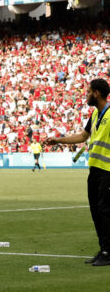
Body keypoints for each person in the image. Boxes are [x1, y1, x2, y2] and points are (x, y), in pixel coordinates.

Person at [45, 78, 110, 266]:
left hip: (107, 171)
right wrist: (58, 140)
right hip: (95, 170)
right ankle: (103, 249)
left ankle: (108, 252)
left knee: (106, 211)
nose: (87, 94)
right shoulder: (96, 114)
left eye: (89, 91)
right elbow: (82, 136)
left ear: (96, 93)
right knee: (97, 211)